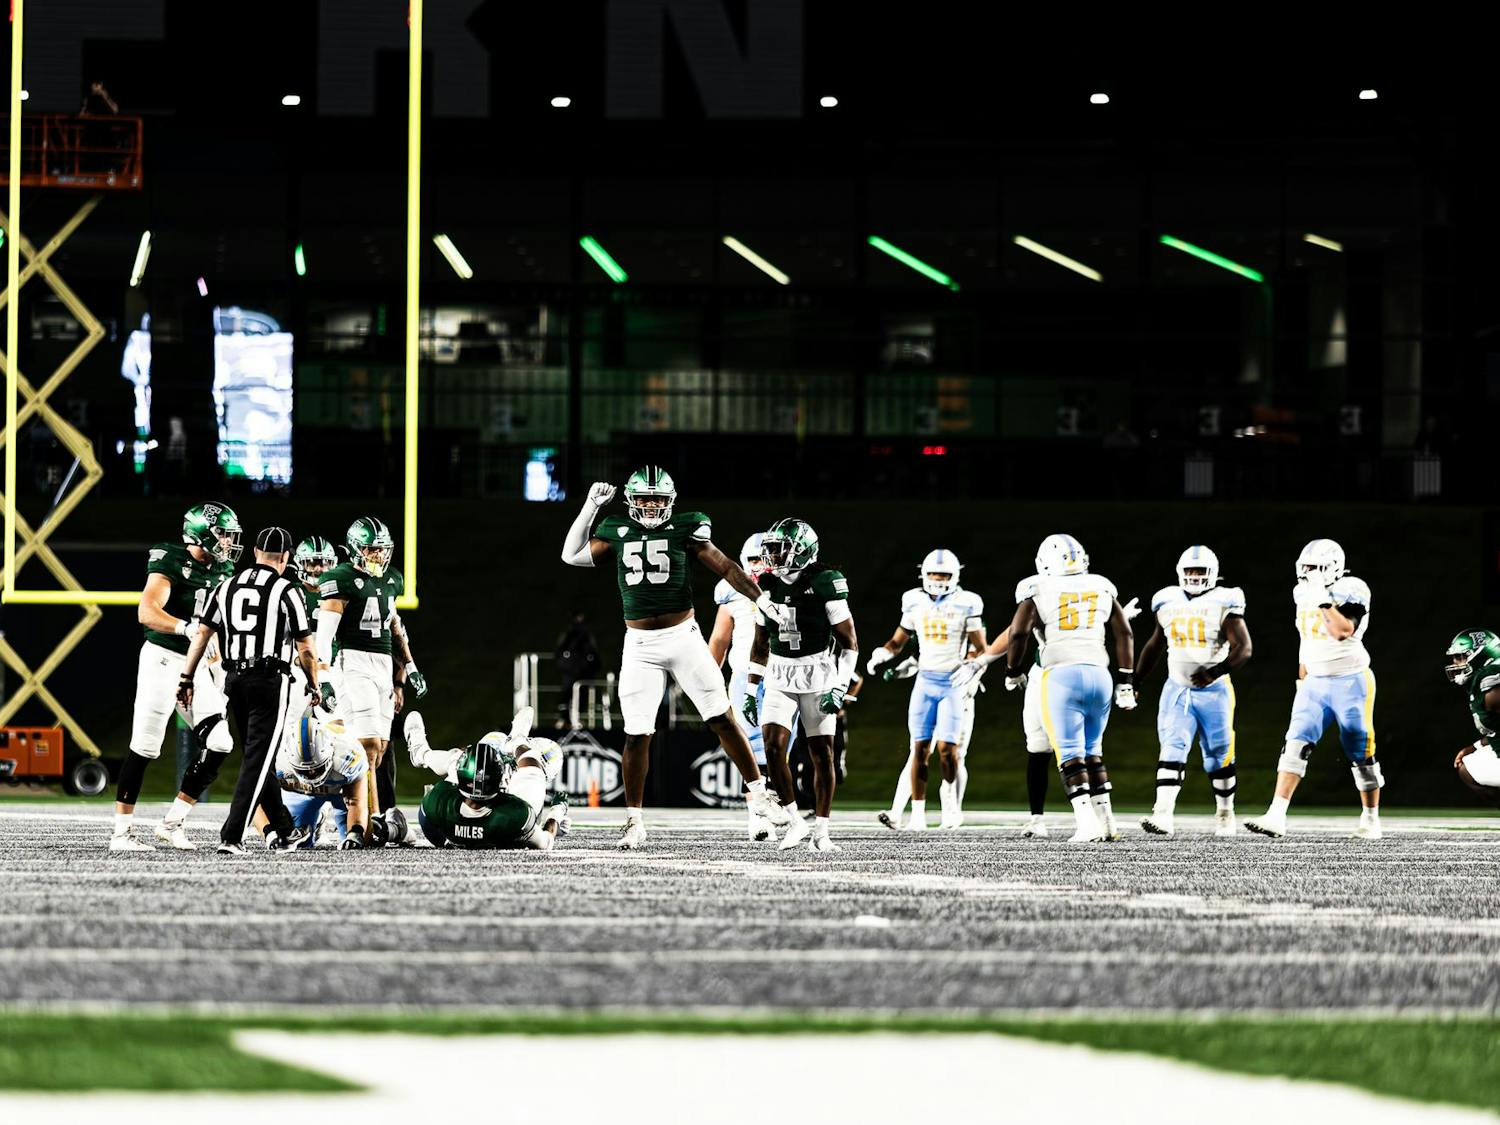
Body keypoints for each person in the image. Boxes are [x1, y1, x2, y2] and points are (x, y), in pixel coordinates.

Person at [560, 467, 789, 850]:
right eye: (645, 499)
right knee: (637, 734)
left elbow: (727, 566)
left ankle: (759, 793)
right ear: (632, 501)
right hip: (640, 645)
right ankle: (634, 821)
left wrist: (759, 597)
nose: (651, 506)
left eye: (658, 499)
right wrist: (590, 507)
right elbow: (572, 556)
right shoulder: (616, 528)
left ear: (670, 501)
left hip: (684, 637)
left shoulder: (688, 527)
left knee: (721, 716)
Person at [955, 534, 1136, 842]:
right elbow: (1125, 634)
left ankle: (1086, 824)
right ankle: (1107, 822)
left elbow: (1018, 633)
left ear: (1043, 563)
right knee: (1093, 751)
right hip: (1100, 672)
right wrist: (1127, 682)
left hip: (1060, 674)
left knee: (1066, 751)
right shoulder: (1101, 586)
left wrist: (1011, 671)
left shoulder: (1037, 589)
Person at [177, 527, 323, 854]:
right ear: (285, 558)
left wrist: (186, 678)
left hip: (234, 680)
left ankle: (284, 831)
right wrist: (314, 684)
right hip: (270, 679)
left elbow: (201, 635)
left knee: (259, 757)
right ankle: (232, 834)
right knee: (258, 760)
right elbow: (306, 649)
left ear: (255, 552)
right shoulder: (287, 591)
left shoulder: (225, 586)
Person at [110, 503, 240, 852]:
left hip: (197, 664)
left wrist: (218, 657)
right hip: (163, 659)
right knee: (146, 744)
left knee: (221, 740)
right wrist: (186, 628)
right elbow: (147, 611)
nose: (228, 542)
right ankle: (122, 833)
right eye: (223, 534)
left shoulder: (225, 569)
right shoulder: (170, 559)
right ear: (200, 533)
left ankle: (173, 822)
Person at [1246, 540, 1381, 840]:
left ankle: (1371, 818)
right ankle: (1276, 814)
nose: (1308, 574)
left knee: (1359, 748)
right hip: (1315, 681)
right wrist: (1301, 677)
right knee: (1295, 741)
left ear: (1332, 568)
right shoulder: (1302, 593)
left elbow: (1342, 631)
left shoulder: (1353, 588)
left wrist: (1322, 597)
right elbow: (1305, 638)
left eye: (1314, 568)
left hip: (1351, 679)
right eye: (1305, 568)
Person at [745, 518, 860, 852]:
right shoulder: (765, 584)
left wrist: (839, 686)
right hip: (780, 673)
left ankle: (822, 832)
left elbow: (849, 642)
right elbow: (760, 643)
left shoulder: (826, 582)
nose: (773, 555)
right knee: (773, 746)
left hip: (818, 672)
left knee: (822, 753)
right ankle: (795, 821)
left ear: (801, 550)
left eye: (780, 548)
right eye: (771, 549)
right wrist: (752, 689)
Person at [316, 517, 427, 846]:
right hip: (353, 662)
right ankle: (361, 823)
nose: (377, 556)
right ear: (355, 549)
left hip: (381, 666)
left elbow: (395, 627)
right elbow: (324, 638)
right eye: (371, 549)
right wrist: (323, 678)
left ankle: (374, 818)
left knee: (378, 749)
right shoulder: (341, 580)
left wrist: (410, 667)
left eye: (382, 550)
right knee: (363, 746)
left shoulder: (392, 580)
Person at [1134, 546, 1253, 838]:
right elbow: (1154, 644)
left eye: (1201, 572)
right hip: (1177, 689)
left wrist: (1214, 671)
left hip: (1214, 692)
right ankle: (1162, 813)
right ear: (1180, 573)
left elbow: (1244, 648)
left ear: (1213, 574)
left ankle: (1225, 813)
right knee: (1172, 747)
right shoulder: (1166, 600)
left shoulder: (1225, 600)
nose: (1196, 577)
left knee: (1218, 755)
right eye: (1191, 571)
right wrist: (1135, 679)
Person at [867, 549, 986, 831]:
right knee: (918, 749)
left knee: (948, 750)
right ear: (923, 574)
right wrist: (882, 654)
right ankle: (916, 814)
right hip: (925, 681)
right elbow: (898, 641)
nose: (938, 579)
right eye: (934, 574)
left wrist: (971, 669)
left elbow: (980, 648)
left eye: (944, 575)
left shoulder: (967, 603)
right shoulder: (914, 601)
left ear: (955, 576)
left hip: (954, 683)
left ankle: (949, 802)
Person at [708, 532, 795, 842]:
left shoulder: (790, 586)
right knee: (752, 745)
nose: (760, 565)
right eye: (755, 559)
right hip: (745, 673)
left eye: (765, 558)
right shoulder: (730, 591)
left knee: (778, 748)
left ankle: (771, 807)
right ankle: (756, 815)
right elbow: (720, 639)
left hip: (785, 674)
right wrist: (707, 678)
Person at [404, 707, 569, 850]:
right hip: (506, 827)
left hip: (440, 832)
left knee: (459, 758)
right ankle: (518, 740)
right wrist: (557, 811)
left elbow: (461, 777)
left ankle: (420, 753)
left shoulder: (436, 801)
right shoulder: (517, 814)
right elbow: (546, 841)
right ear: (500, 782)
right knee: (533, 770)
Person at [271, 707, 369, 849]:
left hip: (342, 793)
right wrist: (270, 835)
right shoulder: (279, 759)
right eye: (304, 770)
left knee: (361, 841)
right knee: (296, 842)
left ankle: (394, 828)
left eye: (317, 768)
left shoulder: (347, 754)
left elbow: (356, 801)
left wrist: (355, 833)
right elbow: (258, 801)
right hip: (302, 792)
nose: (312, 774)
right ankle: (319, 818)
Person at [1444, 629, 1500, 810]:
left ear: (1481, 655)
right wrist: (1476, 746)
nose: (1456, 663)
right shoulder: (1483, 685)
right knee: (1469, 766)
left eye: (1460, 657)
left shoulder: (1492, 687)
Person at [553, 610, 601, 729]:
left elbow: (594, 654)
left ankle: (577, 718)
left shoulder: (587, 636)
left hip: (583, 672)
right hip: (570, 671)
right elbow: (559, 652)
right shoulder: (568, 634)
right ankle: (564, 719)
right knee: (567, 694)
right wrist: (564, 664)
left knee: (581, 695)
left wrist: (591, 667)